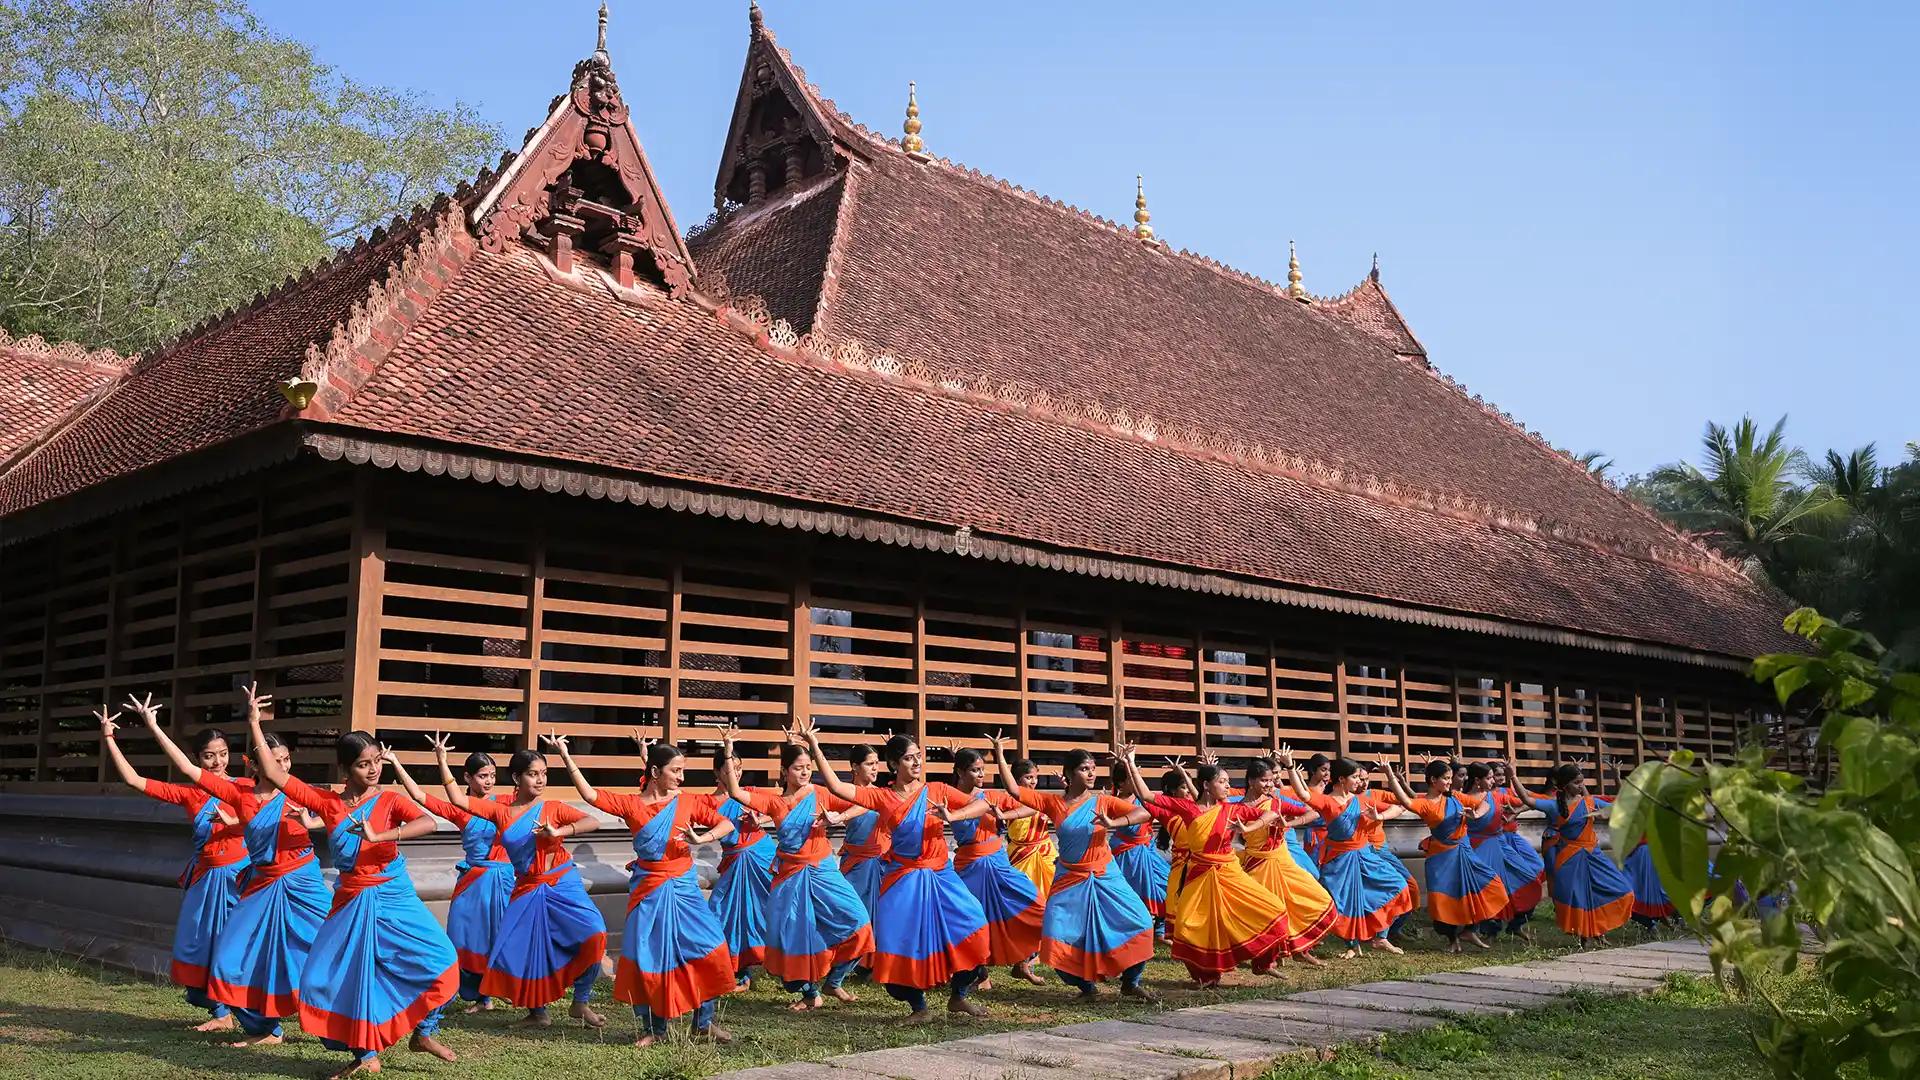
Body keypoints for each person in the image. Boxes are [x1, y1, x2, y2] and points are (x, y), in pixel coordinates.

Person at [237, 688, 457, 1077]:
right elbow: (273, 772)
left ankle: (424, 1030)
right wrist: (254, 721)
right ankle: (364, 1053)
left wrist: (381, 837)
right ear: (344, 771)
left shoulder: (389, 801)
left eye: (376, 762)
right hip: (351, 898)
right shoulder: (328, 804)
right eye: (362, 764)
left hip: (393, 893)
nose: (373, 770)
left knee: (442, 960)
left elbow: (429, 822)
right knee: (331, 978)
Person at [133, 691, 331, 1047]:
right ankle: (263, 1028)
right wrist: (152, 726)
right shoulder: (239, 795)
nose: (282, 767)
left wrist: (317, 824)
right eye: (274, 761)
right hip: (256, 886)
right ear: (254, 764)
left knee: (329, 951)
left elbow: (346, 813)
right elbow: (184, 770)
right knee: (227, 961)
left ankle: (350, 1017)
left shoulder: (301, 793)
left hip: (300, 885)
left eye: (286, 760)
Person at [394, 737, 605, 1029]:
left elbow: (591, 821)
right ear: (517, 777)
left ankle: (580, 1001)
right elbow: (456, 799)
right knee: (529, 949)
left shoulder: (553, 807)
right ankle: (537, 1011)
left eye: (544, 773)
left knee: (595, 935)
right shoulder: (500, 811)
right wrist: (441, 759)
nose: (541, 779)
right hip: (525, 886)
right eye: (533, 773)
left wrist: (560, 830)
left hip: (562, 882)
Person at [797, 719, 994, 1023]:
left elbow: (981, 805)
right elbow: (837, 787)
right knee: (896, 942)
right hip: (903, 877)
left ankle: (958, 996)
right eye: (908, 757)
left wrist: (953, 814)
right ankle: (919, 1007)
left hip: (941, 874)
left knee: (975, 927)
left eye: (918, 756)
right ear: (893, 764)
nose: (916, 762)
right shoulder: (882, 797)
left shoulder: (937, 790)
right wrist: (815, 746)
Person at [553, 733, 736, 1046]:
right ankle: (654, 1029)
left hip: (684, 890)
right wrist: (566, 756)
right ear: (655, 773)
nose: (681, 777)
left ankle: (703, 1023)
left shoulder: (687, 801)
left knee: (710, 951)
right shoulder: (631, 805)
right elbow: (590, 796)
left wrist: (701, 839)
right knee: (648, 958)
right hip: (649, 890)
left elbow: (725, 824)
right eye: (675, 771)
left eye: (682, 771)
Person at [98, 698, 249, 1033]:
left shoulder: (243, 789)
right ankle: (221, 1014)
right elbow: (135, 781)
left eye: (222, 753)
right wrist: (109, 738)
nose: (217, 761)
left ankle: (257, 1017)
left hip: (239, 878)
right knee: (197, 945)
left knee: (234, 945)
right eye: (209, 755)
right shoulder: (189, 794)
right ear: (198, 759)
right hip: (205, 880)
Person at [714, 726, 874, 1010]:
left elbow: (863, 800)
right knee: (793, 938)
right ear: (785, 770)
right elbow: (736, 792)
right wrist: (727, 751)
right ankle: (811, 994)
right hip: (789, 878)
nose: (804, 773)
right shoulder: (775, 803)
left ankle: (834, 980)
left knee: (859, 922)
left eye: (808, 767)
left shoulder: (820, 793)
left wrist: (839, 816)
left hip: (823, 871)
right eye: (798, 768)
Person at [987, 735, 1157, 1000]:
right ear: (1069, 773)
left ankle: (1131, 981)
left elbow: (1146, 813)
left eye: (1092, 768)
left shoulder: (1102, 802)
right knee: (1056, 938)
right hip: (1069, 879)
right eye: (1084, 768)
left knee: (1141, 922)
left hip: (1105, 874)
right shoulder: (1053, 803)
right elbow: (1014, 790)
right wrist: (998, 753)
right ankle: (1087, 988)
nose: (1090, 773)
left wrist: (1115, 822)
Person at [1115, 743, 1294, 986]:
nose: (1228, 785)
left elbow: (1272, 813)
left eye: (1228, 781)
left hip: (1230, 872)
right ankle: (1207, 975)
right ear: (1207, 785)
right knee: (1192, 927)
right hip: (1198, 874)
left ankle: (1262, 963)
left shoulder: (1232, 809)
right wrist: (1131, 763)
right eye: (1223, 781)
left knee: (1274, 909)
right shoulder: (1188, 809)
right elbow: (1147, 796)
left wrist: (1251, 827)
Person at [400, 748, 515, 1012]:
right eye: (483, 776)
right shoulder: (459, 808)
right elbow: (419, 796)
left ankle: (506, 987)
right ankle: (481, 996)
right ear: (467, 777)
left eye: (493, 776)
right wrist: (403, 762)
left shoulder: (508, 802)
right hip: (473, 881)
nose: (488, 781)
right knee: (465, 936)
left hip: (504, 879)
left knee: (502, 936)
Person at [1284, 756, 1416, 958]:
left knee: (1398, 885)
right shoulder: (1328, 802)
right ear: (1341, 779)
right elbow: (1303, 793)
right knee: (1343, 903)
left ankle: (1381, 937)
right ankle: (1352, 946)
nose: (1359, 781)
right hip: (1339, 860)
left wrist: (1380, 816)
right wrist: (1290, 766)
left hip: (1365, 857)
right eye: (1355, 777)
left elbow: (1399, 807)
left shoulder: (1361, 800)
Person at [1377, 758, 1508, 953]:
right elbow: (1405, 800)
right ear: (1433, 780)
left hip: (1463, 853)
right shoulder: (1425, 804)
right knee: (1444, 901)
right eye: (1445, 778)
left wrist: (1476, 815)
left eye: (1449, 778)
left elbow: (1484, 804)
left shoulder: (1455, 797)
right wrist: (1388, 773)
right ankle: (1452, 939)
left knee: (1491, 885)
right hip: (1441, 858)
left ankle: (1470, 929)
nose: (1449, 782)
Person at [948, 747, 1046, 988]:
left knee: (1037, 906)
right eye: (975, 770)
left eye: (982, 769)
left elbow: (1033, 805)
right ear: (960, 772)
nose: (981, 774)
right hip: (970, 867)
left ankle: (1023, 961)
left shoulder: (990, 796)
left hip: (998, 863)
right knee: (975, 921)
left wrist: (1007, 814)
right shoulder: (947, 797)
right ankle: (980, 973)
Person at [1512, 761, 1635, 945]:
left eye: (1582, 782)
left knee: (1622, 889)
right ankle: (1585, 934)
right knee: (1579, 896)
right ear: (1564, 785)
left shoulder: (1590, 802)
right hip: (1569, 857)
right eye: (1577, 783)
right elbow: (1528, 800)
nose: (1581, 786)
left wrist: (1616, 776)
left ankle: (1598, 931)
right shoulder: (1554, 805)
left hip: (1593, 854)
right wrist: (1512, 775)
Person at [1236, 753, 1335, 966]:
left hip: (1283, 862)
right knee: (1267, 911)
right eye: (1264, 781)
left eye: (1271, 781)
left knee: (1313, 898)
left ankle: (1301, 949)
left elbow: (1314, 813)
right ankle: (1268, 956)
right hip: (1256, 865)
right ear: (1251, 781)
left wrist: (1290, 824)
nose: (1269, 785)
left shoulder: (1277, 802)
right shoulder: (1238, 806)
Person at [709, 735, 776, 989]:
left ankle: (791, 969)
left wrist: (764, 821)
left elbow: (781, 809)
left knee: (770, 910)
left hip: (762, 857)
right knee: (724, 914)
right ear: (717, 771)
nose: (735, 773)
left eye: (738, 769)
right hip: (735, 864)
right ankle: (738, 970)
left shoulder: (753, 794)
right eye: (729, 769)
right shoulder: (708, 802)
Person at [1468, 761, 1545, 943]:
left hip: (1500, 842)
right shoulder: (1468, 798)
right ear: (1478, 780)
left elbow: (1530, 800)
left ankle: (1515, 924)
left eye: (1496, 776)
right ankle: (1487, 931)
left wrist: (1515, 811)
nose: (1495, 779)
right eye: (1491, 776)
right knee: (1490, 888)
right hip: (1479, 845)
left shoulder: (1500, 795)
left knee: (1530, 879)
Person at [836, 744, 889, 923]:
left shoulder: (884, 794)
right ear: (854, 767)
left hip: (883, 864)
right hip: (855, 865)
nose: (875, 768)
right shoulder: (844, 793)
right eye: (869, 764)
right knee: (854, 916)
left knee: (884, 917)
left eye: (877, 763)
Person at [1105, 789, 1170, 933]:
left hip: (1147, 849)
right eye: (1130, 776)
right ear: (1122, 782)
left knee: (1165, 883)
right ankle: (1138, 926)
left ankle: (1160, 925)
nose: (1135, 778)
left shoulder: (1145, 797)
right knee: (1129, 891)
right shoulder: (1111, 801)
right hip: (1124, 853)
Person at [1003, 757, 1058, 901]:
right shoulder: (1008, 800)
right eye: (1028, 778)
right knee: (1024, 896)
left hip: (1045, 852)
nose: (1033, 781)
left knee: (1055, 892)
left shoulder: (1041, 798)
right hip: (1020, 854)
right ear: (1016, 779)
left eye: (1035, 777)